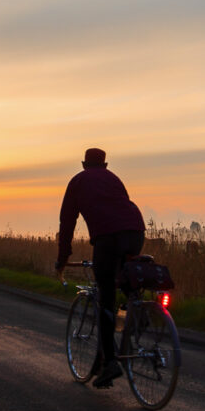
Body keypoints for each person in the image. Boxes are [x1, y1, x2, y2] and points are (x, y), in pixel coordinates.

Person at [55, 148, 145, 388]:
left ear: (84, 164)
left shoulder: (77, 181)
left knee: (105, 296)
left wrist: (62, 258)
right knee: (125, 278)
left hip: (108, 238)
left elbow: (67, 222)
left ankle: (110, 364)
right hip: (135, 231)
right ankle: (138, 313)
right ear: (105, 164)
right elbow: (123, 208)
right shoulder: (114, 178)